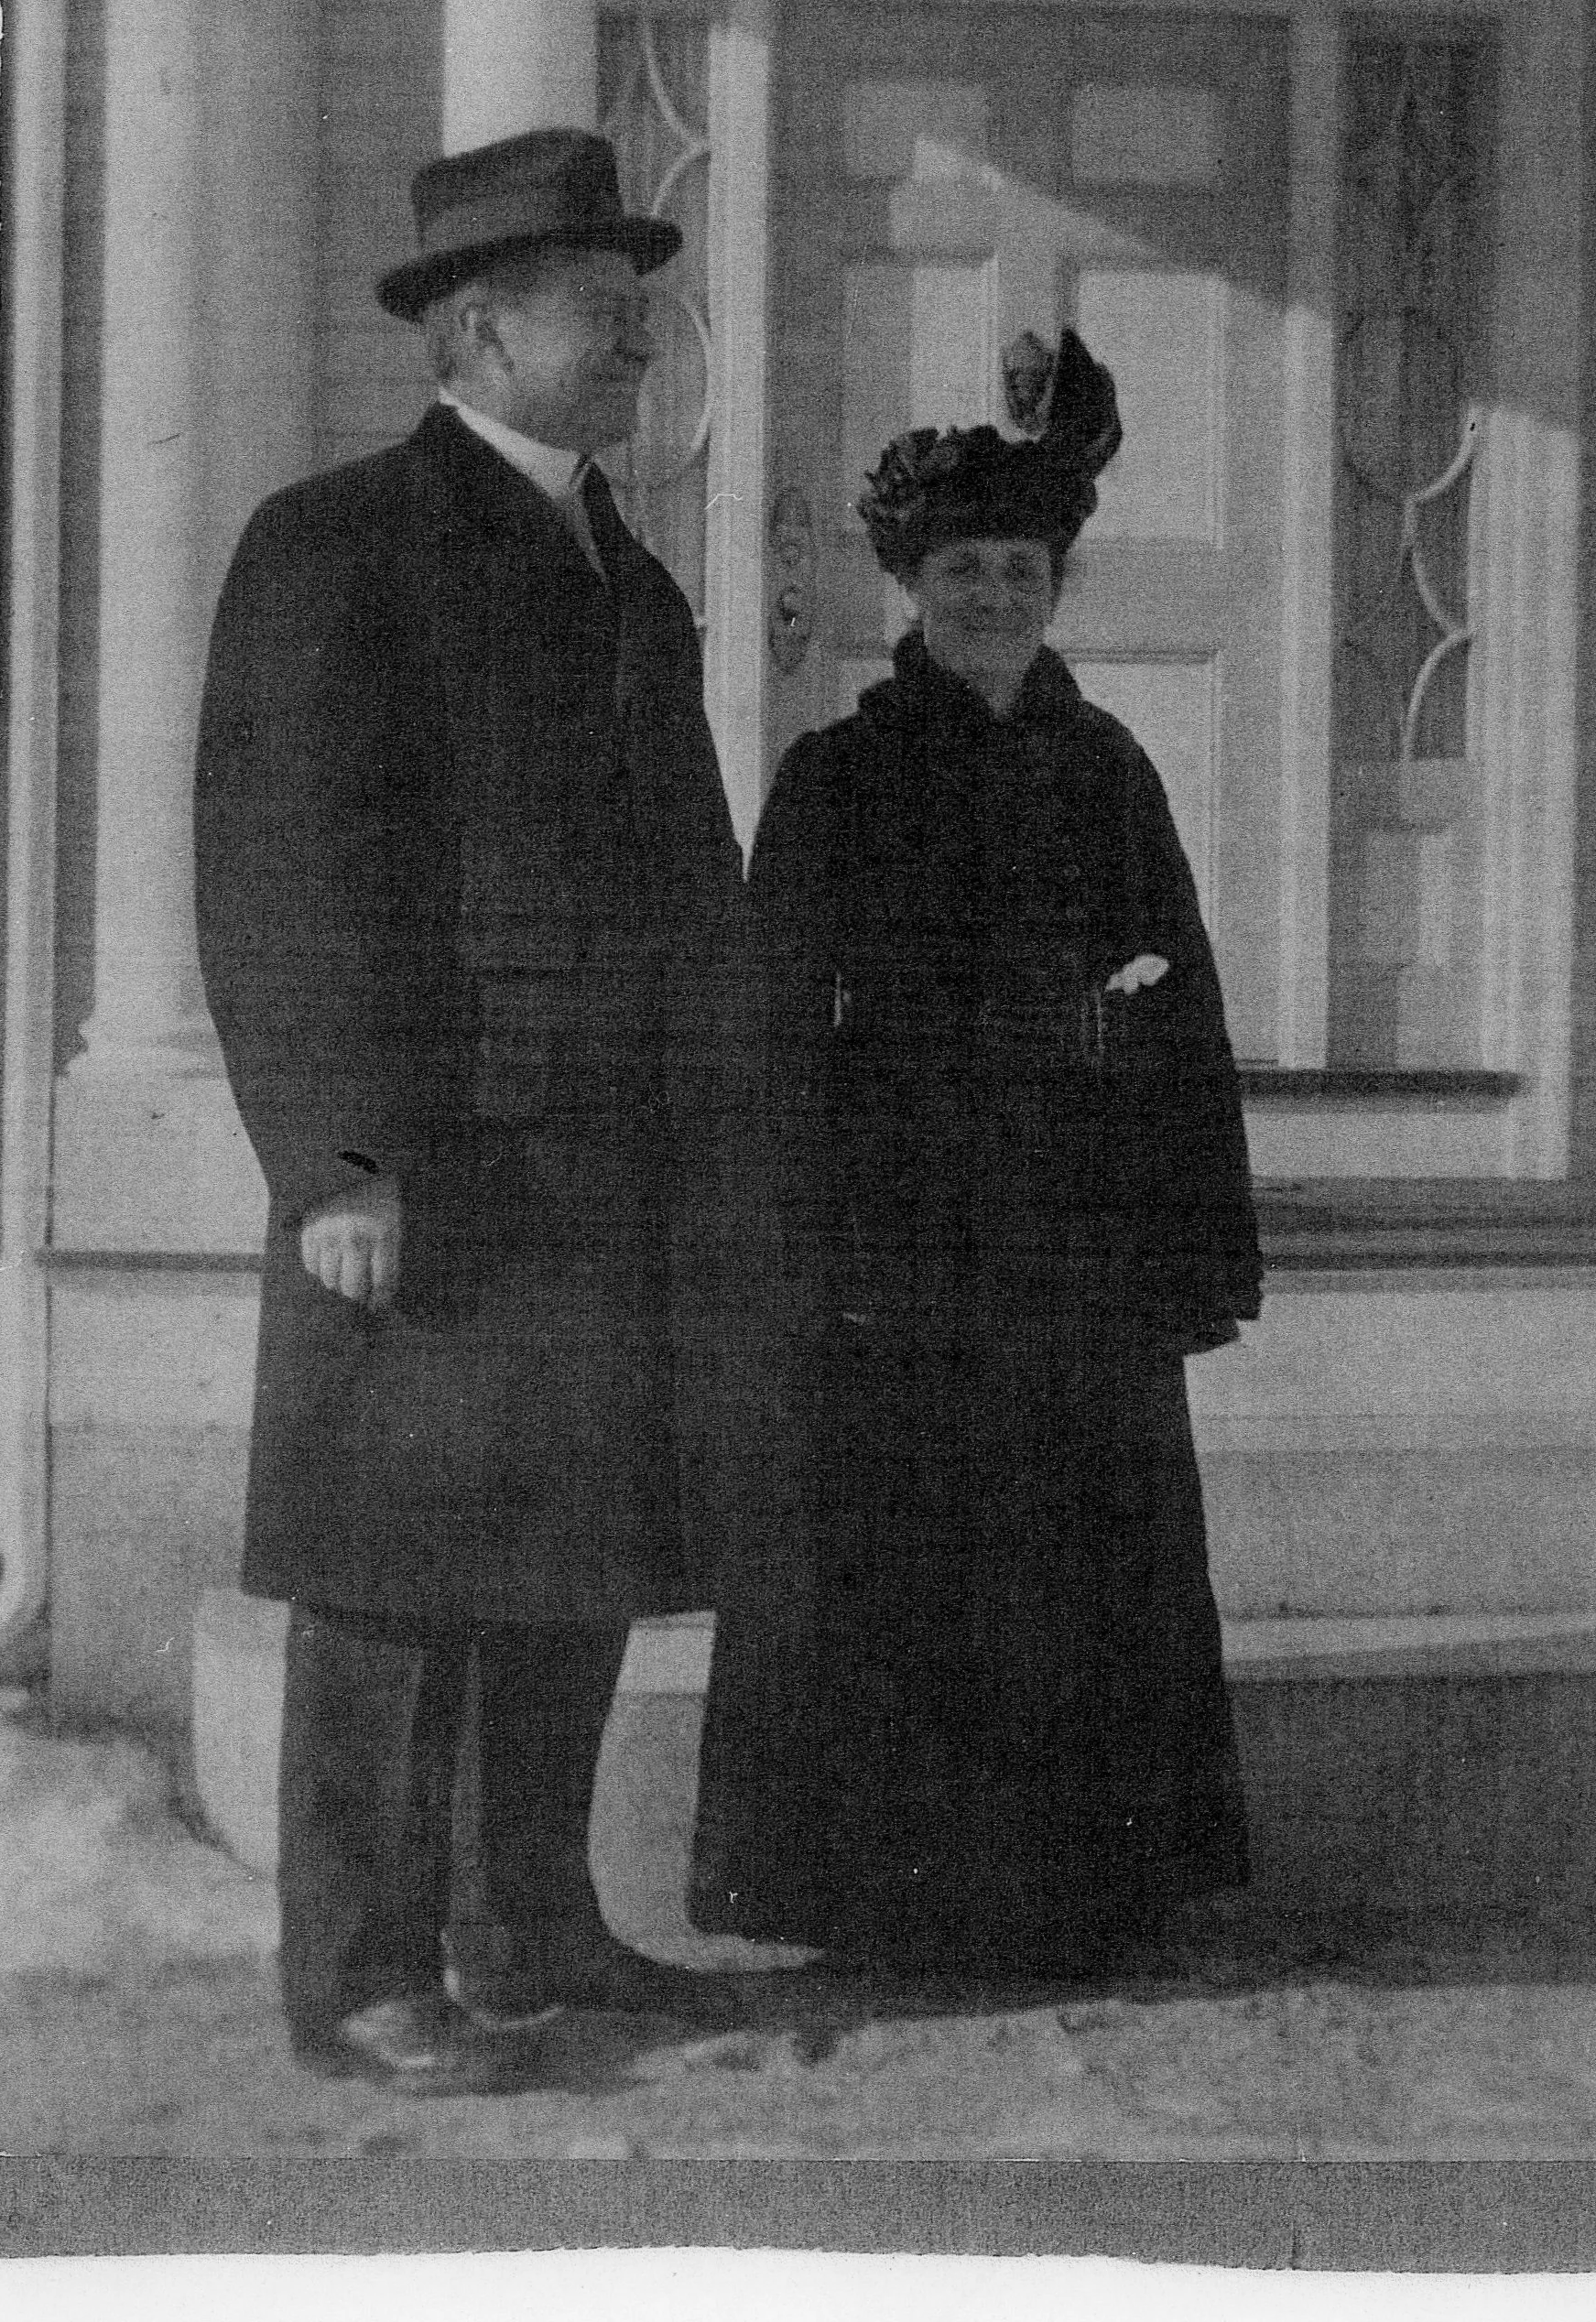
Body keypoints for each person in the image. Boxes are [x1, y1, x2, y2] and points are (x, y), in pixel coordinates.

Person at [195, 128, 756, 2092]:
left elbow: (685, 873)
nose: (636, 344)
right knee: (394, 1577)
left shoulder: (631, 569)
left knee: (574, 1555)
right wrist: (332, 1158)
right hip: (429, 1164)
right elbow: (279, 871)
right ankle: (358, 1976)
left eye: (637, 311)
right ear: (480, 327)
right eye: (606, 312)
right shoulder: (334, 539)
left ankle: (531, 1936)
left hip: (611, 1167)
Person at [689, 331, 1265, 1986]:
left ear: (1057, 587)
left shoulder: (1108, 770)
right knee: (916, 1559)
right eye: (964, 569)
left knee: (1082, 1562)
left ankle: (1087, 1901)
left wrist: (1163, 1182)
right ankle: (902, 1907)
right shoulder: (841, 777)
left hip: (1079, 1256)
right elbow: (787, 1030)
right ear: (911, 587)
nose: (995, 596)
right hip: (909, 1258)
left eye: (1023, 568)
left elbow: (1185, 996)